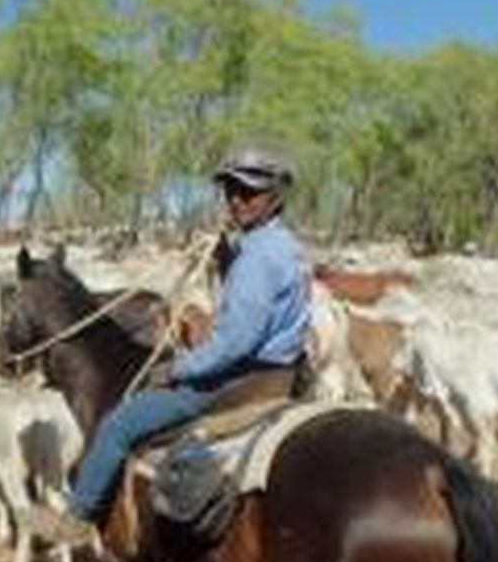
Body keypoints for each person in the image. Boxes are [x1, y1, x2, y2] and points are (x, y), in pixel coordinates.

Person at [38, 145, 312, 541]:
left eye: (249, 192)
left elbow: (235, 343)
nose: (237, 200)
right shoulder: (284, 247)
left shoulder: (259, 258)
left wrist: (180, 367)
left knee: (119, 425)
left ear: (274, 197)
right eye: (231, 190)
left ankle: (78, 518)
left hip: (239, 381)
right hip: (280, 375)